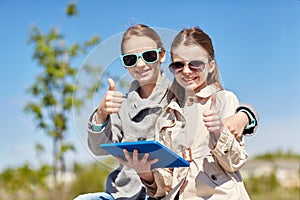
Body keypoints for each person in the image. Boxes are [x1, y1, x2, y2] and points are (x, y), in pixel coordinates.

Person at [75, 25, 257, 200]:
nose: (140, 64)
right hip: (130, 191)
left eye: (148, 55)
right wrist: (101, 114)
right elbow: (99, 148)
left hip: (171, 191)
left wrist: (244, 116)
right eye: (130, 59)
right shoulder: (123, 105)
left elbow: (218, 102)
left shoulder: (178, 96)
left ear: (161, 56)